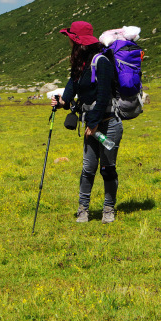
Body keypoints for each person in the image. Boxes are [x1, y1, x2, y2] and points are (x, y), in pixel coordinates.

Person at [52, 20, 123, 224]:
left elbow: (102, 97)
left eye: (72, 39)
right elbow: (70, 94)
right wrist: (60, 102)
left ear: (79, 42)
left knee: (107, 167)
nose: (70, 44)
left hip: (109, 125)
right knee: (88, 167)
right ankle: (82, 209)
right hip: (91, 126)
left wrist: (92, 124)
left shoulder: (101, 62)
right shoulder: (80, 66)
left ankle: (108, 209)